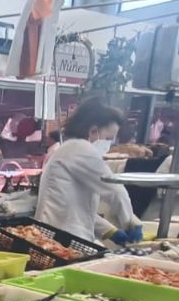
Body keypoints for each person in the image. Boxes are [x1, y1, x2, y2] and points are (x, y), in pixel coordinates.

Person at [34, 98, 142, 246]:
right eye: (108, 138)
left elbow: (77, 207)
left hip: (59, 234)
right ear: (93, 131)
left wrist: (110, 231)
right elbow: (115, 190)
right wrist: (131, 222)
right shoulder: (81, 149)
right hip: (63, 239)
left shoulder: (69, 148)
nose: (108, 144)